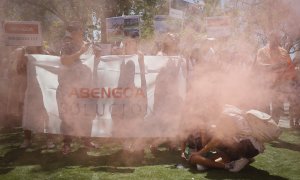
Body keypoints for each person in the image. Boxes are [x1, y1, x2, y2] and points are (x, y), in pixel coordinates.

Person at [57, 21, 97, 154]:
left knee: (86, 114)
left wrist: (97, 54)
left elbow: (94, 62)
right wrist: (81, 51)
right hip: (70, 88)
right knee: (68, 116)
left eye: (82, 31)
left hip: (85, 87)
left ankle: (86, 140)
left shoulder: (88, 46)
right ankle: (67, 143)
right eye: (78, 31)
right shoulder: (67, 45)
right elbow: (64, 61)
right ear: (73, 34)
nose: (81, 33)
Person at [14, 46, 55, 149]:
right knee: (28, 114)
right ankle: (27, 140)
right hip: (30, 89)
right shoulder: (24, 53)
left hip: (44, 89)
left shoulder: (46, 53)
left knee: (46, 114)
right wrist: (22, 60)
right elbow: (19, 71)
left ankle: (49, 140)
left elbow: (52, 68)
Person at [255, 31, 296, 123]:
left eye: (276, 39)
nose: (275, 41)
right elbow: (260, 65)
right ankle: (265, 124)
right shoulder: (262, 51)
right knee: (265, 104)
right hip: (266, 82)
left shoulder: (283, 52)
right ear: (269, 39)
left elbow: (289, 67)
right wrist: (273, 66)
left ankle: (275, 125)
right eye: (273, 39)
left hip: (280, 83)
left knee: (278, 105)